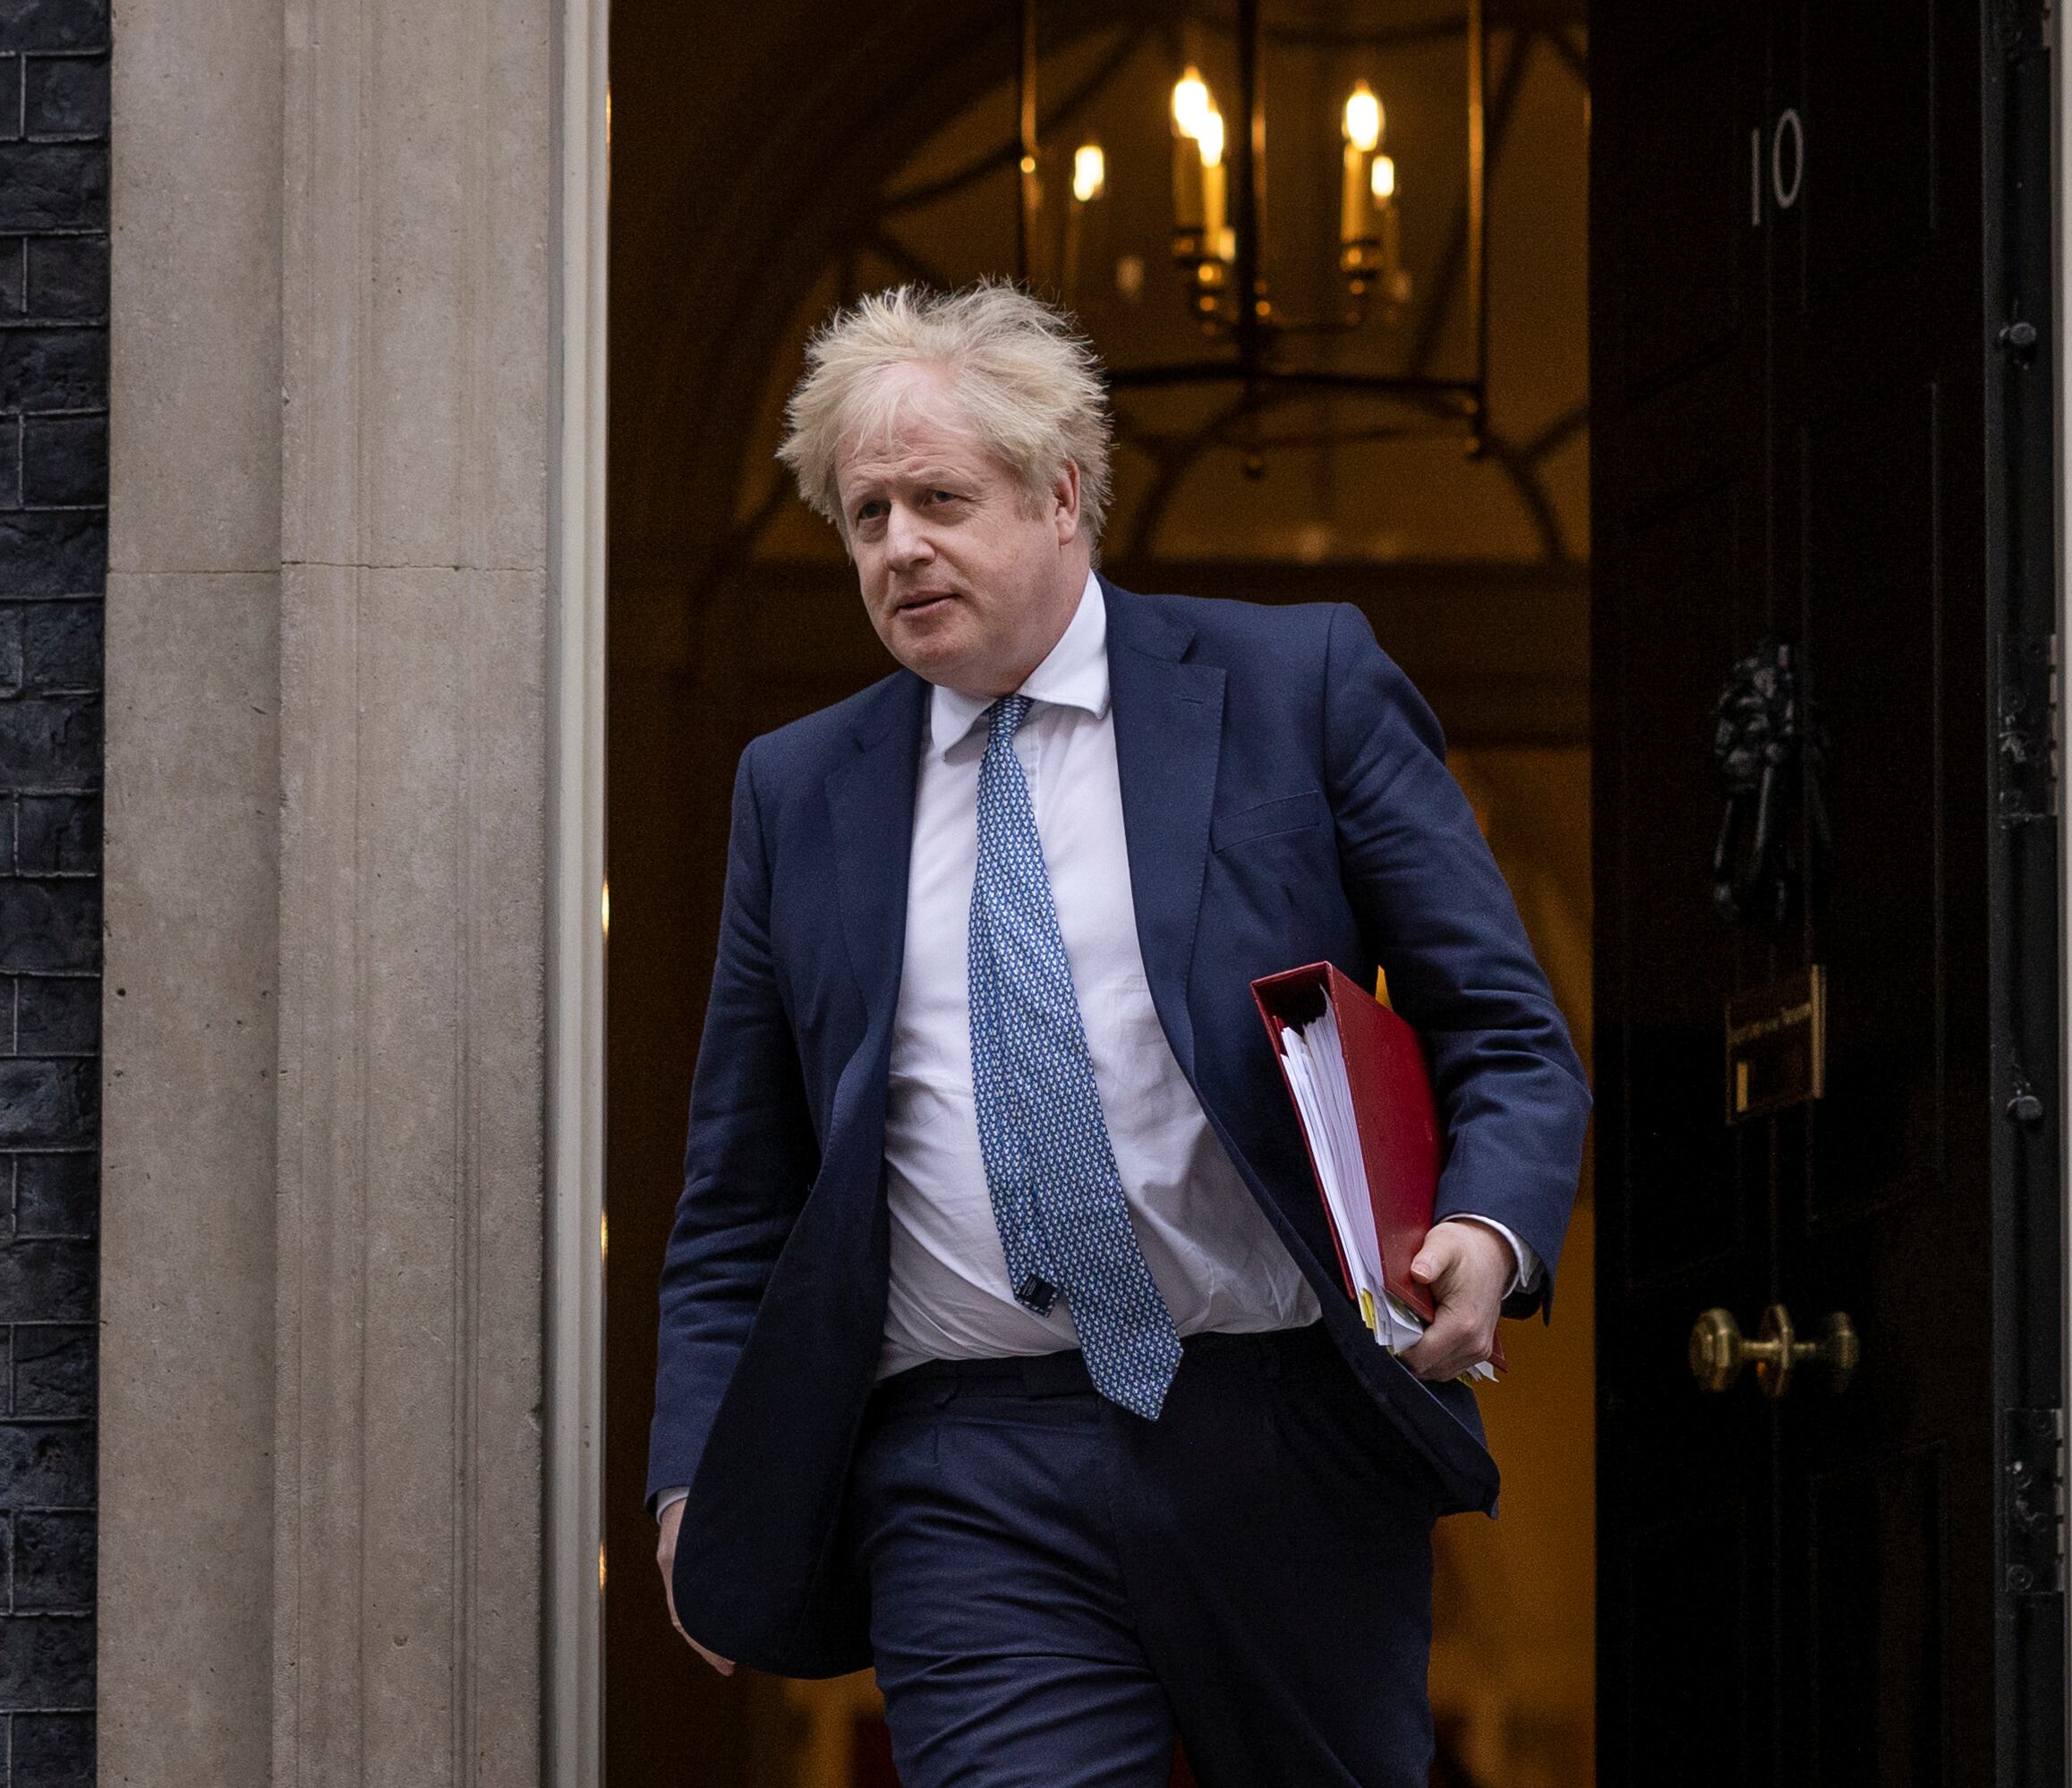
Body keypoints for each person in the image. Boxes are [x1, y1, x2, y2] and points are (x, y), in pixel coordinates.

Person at [649, 280, 1590, 1788]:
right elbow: (741, 1187)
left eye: (940, 498)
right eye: (866, 512)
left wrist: (1488, 1225)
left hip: (1276, 1427)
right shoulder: (799, 787)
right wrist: (697, 1473)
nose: (899, 546)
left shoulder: (1299, 687)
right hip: (966, 1464)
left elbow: (1505, 1026)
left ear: (1064, 492)